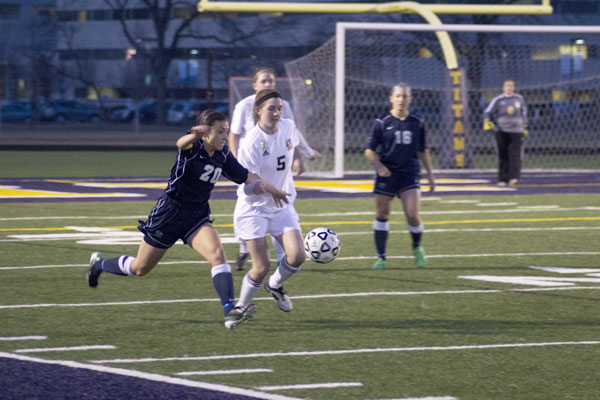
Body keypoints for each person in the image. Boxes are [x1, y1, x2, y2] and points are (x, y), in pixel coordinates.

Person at [85, 110, 288, 329]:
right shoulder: (194, 147)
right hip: (169, 214)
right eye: (220, 132)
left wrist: (273, 189)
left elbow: (248, 176)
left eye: (226, 132)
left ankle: (230, 310)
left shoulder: (223, 155)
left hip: (196, 215)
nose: (223, 136)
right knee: (139, 268)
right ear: (206, 132)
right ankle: (100, 265)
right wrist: (194, 133)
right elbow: (181, 143)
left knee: (218, 255)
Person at [233, 88, 320, 314]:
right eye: (271, 108)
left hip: (281, 206)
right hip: (254, 209)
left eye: (279, 108)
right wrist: (273, 190)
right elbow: (249, 186)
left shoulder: (288, 126)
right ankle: (239, 308)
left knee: (298, 256)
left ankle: (275, 285)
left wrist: (308, 152)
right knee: (260, 267)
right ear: (258, 110)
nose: (276, 113)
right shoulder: (251, 143)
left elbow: (296, 138)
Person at [229, 67, 313, 271]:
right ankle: (244, 248)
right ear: (255, 85)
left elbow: (290, 135)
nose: (268, 84)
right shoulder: (244, 106)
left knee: (280, 208)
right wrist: (235, 164)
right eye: (264, 81)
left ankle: (281, 262)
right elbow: (234, 134)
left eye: (271, 81)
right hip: (253, 161)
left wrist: (298, 158)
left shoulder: (282, 107)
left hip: (275, 161)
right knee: (250, 201)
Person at [364, 83, 436, 270]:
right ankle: (381, 257)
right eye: (398, 96)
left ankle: (417, 246)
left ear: (410, 99)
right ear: (391, 98)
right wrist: (379, 165)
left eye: (405, 96)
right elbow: (369, 150)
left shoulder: (417, 122)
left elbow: (423, 150)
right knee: (382, 214)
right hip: (387, 174)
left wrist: (430, 175)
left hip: (409, 173)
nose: (401, 99)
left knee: (412, 214)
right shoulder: (381, 122)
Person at [483, 79, 529, 187]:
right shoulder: (498, 100)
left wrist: (525, 126)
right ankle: (503, 179)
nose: (509, 88)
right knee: (503, 155)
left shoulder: (519, 99)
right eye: (507, 86)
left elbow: (524, 113)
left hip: (516, 130)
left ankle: (514, 178)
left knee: (515, 155)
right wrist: (487, 122)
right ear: (503, 87)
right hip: (501, 130)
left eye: (511, 85)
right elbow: (487, 112)